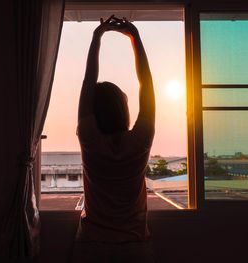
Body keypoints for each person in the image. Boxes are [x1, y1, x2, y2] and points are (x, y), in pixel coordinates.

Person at [73, 15, 156, 263]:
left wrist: (97, 36)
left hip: (92, 244)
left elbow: (88, 82)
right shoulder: (140, 140)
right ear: (124, 110)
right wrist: (135, 38)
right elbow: (147, 85)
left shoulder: (90, 139)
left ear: (93, 112)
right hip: (134, 245)